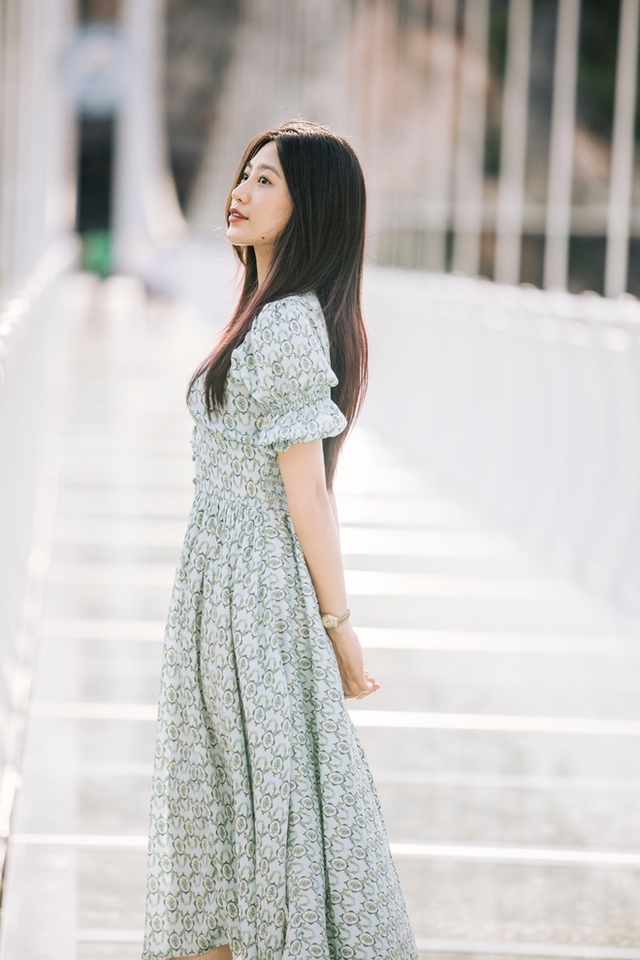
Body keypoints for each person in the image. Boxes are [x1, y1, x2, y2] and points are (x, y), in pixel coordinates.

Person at [142, 120, 418, 960]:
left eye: (267, 181)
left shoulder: (289, 324)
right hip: (222, 593)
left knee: (257, 803)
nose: (241, 191)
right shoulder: (265, 313)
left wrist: (340, 628)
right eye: (246, 173)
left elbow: (310, 498)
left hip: (252, 601)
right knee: (228, 807)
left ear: (312, 209)